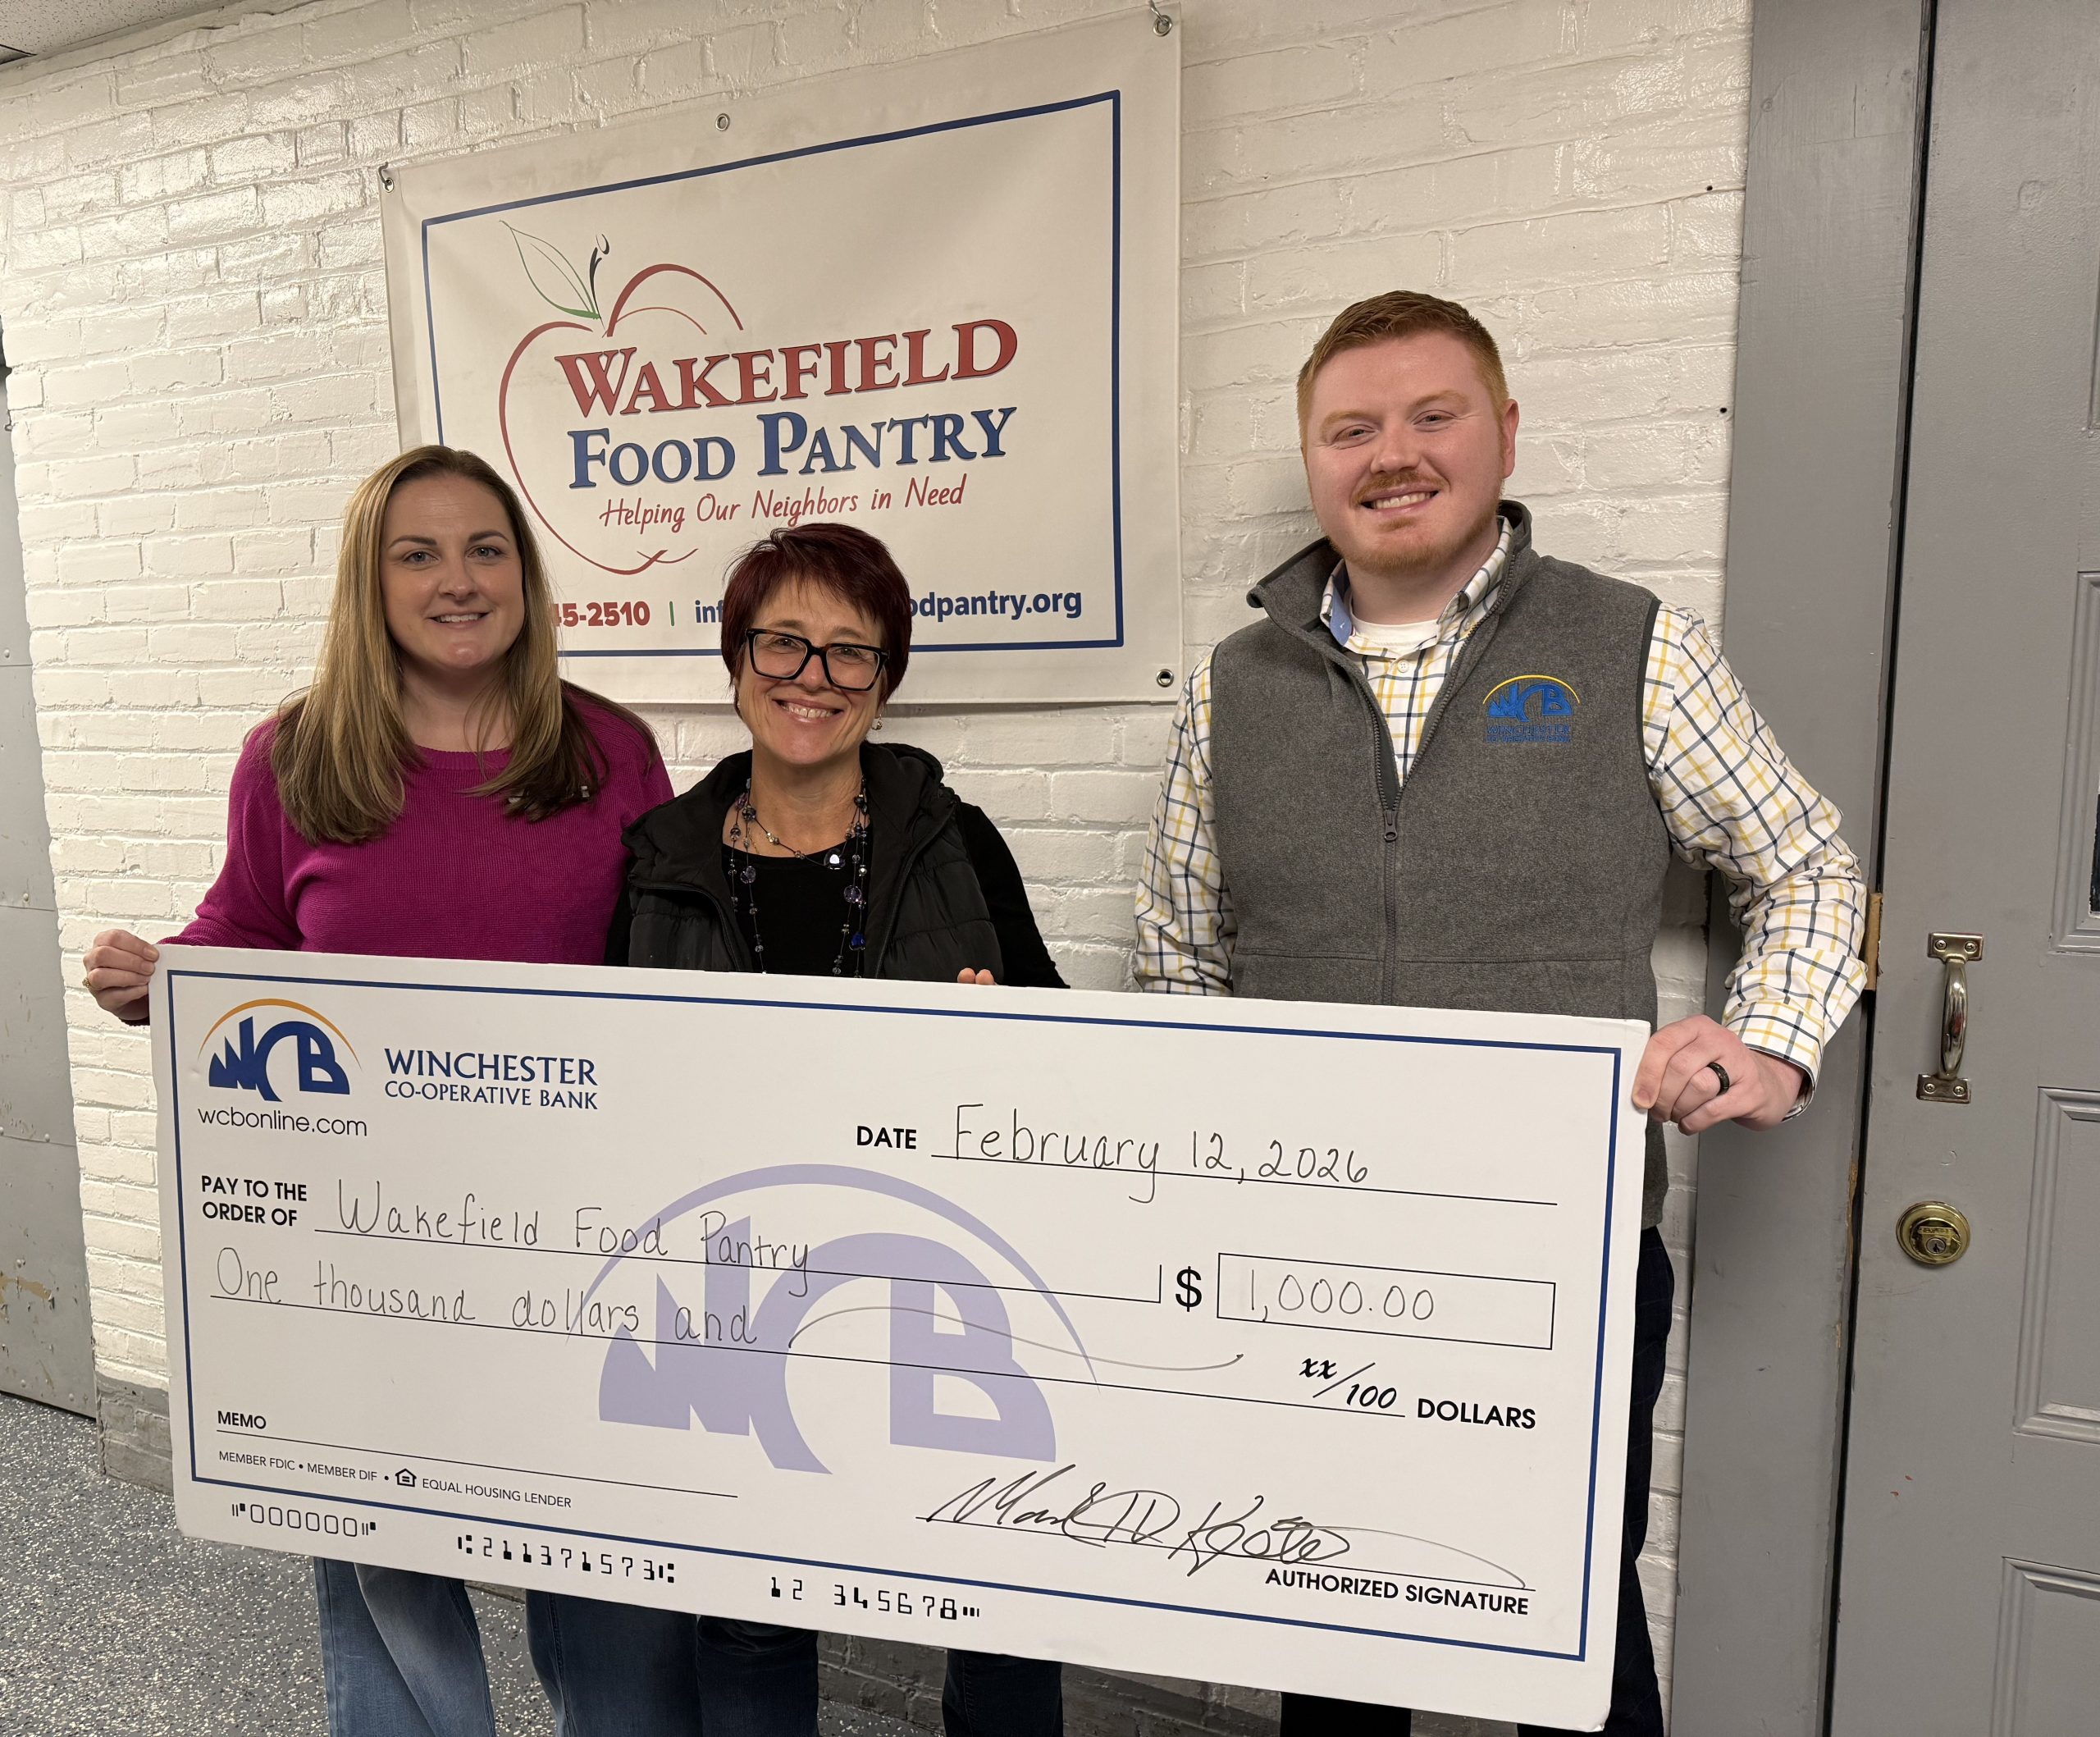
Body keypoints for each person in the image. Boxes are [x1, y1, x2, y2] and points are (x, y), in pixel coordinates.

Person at [1134, 291, 1869, 1735]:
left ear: (1506, 433)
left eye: (1433, 415)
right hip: (1304, 1251)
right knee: (1328, 1610)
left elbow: (1807, 866)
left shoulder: (1633, 644)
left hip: (1557, 1246)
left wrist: (1771, 1039)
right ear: (1313, 457)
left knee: (1567, 1623)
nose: (1392, 454)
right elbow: (1178, 951)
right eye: (1352, 427)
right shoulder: (1233, 685)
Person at [80, 445, 701, 1737]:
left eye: (486, 549)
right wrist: (164, 975)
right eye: (417, 554)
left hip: (582, 1245)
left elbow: (676, 966)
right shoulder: (295, 758)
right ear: (370, 582)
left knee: (613, 1579)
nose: (457, 580)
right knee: (385, 1577)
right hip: (365, 1254)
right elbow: (248, 933)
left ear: (525, 576)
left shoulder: (610, 750)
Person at [609, 521, 1065, 1737]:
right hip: (742, 1291)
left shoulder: (957, 843)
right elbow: (616, 1088)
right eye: (783, 643)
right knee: (753, 1610)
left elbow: (1067, 1058)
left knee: (995, 1589)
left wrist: (1004, 1042)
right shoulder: (658, 865)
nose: (813, 677)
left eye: (850, 651)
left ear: (886, 677)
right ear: (736, 659)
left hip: (942, 1284)